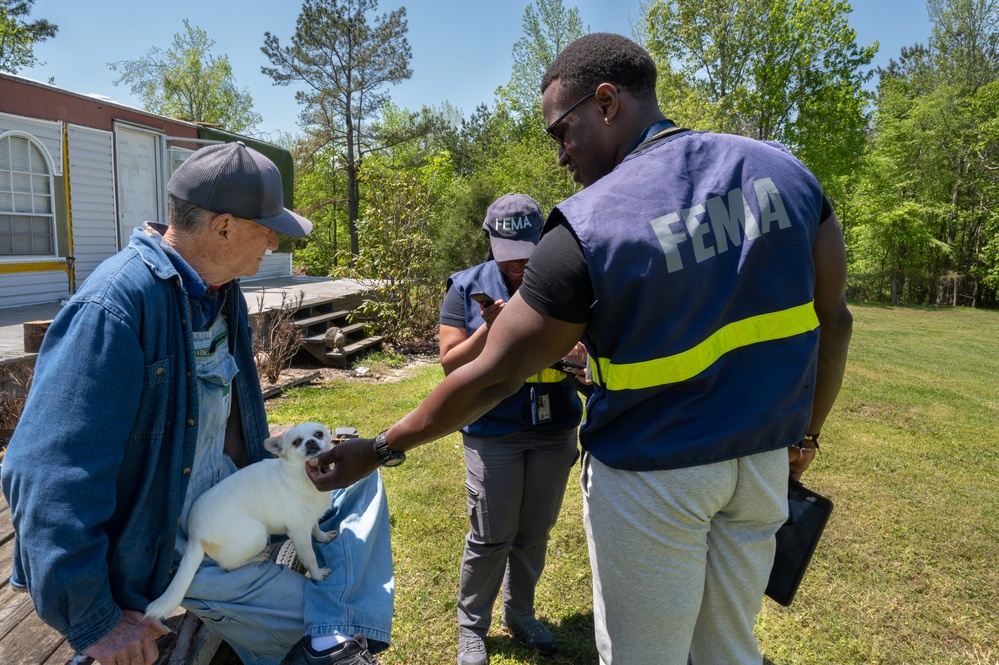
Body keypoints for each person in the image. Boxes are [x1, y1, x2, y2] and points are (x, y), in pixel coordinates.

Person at [306, 32, 853, 665]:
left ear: (606, 102)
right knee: (728, 648)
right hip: (760, 466)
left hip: (652, 476)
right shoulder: (786, 174)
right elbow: (833, 322)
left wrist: (377, 449)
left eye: (561, 132)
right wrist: (805, 438)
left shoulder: (587, 226)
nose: (561, 156)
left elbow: (492, 376)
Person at [1, 142, 393, 665]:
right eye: (267, 226)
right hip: (170, 547)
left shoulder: (216, 289)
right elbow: (45, 474)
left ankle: (329, 622)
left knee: (361, 468)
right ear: (224, 227)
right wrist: (93, 619)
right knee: (339, 622)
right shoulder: (114, 308)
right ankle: (327, 633)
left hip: (234, 498)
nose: (274, 240)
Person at [439, 194, 584, 665]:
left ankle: (520, 613)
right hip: (492, 427)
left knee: (534, 532)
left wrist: (581, 357)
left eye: (528, 251)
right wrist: (489, 330)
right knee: (490, 533)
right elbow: (449, 363)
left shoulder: (565, 280)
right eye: (509, 254)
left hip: (554, 424)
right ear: (491, 242)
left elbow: (594, 343)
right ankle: (471, 629)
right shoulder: (465, 287)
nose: (520, 263)